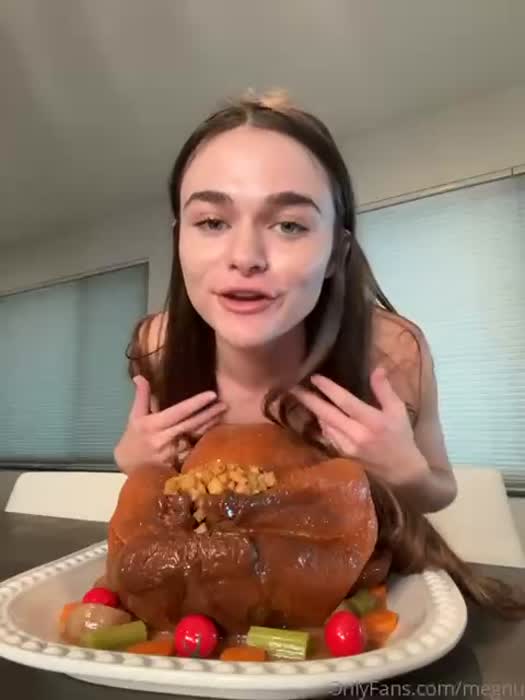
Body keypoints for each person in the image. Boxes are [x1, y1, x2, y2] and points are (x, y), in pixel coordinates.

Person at [114, 90, 457, 514]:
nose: (245, 257)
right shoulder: (157, 346)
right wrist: (132, 463)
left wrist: (408, 476)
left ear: (336, 254)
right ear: (179, 240)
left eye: (290, 226)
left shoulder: (392, 351)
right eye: (212, 222)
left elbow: (441, 490)